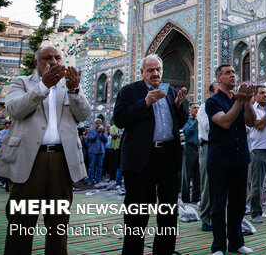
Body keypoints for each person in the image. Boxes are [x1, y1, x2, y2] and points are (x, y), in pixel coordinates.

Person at [0, 46, 91, 255]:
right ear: (36, 63)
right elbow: (15, 110)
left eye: (57, 57)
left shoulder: (69, 86)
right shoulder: (22, 82)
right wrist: (44, 86)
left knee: (58, 223)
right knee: (21, 221)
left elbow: (84, 114)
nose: (53, 61)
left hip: (61, 161)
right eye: (47, 58)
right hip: (29, 161)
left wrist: (75, 91)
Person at [113, 53, 188, 255]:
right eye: (150, 70)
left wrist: (181, 107)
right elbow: (119, 119)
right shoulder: (130, 92)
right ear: (142, 72)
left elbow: (180, 123)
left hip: (167, 157)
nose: (155, 74)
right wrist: (144, 102)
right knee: (137, 212)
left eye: (158, 70)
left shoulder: (170, 92)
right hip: (141, 159)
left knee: (168, 212)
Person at [206, 64, 256, 255]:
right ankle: (218, 246)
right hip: (219, 160)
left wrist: (248, 101)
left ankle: (235, 242)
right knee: (219, 205)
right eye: (227, 73)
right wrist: (239, 101)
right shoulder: (213, 102)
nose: (233, 75)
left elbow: (251, 122)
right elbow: (225, 122)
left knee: (238, 204)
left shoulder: (240, 100)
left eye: (234, 72)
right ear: (218, 79)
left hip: (239, 158)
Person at [248, 85, 266, 223]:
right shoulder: (252, 110)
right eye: (261, 93)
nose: (265, 95)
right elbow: (258, 125)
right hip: (259, 150)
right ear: (255, 96)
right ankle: (256, 212)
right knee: (257, 183)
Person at [198, 81, 219, 231]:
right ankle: (206, 218)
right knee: (207, 184)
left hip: (222, 147)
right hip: (208, 146)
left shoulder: (227, 105)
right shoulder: (204, 107)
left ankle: (217, 217)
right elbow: (208, 127)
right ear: (211, 94)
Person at [181, 102, 201, 204]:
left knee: (198, 176)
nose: (196, 110)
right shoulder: (187, 120)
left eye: (198, 108)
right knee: (187, 175)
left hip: (199, 149)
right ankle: (185, 199)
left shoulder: (201, 120)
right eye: (194, 108)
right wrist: (195, 123)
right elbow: (186, 132)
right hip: (189, 148)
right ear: (190, 110)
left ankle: (195, 198)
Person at [86, 118, 108, 184]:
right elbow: (90, 139)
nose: (98, 124)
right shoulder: (91, 131)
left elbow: (105, 140)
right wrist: (97, 133)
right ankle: (90, 180)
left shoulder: (103, 131)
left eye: (100, 123)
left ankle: (98, 180)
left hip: (101, 151)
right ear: (94, 124)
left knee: (100, 167)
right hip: (93, 151)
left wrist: (103, 133)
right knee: (91, 167)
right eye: (97, 123)